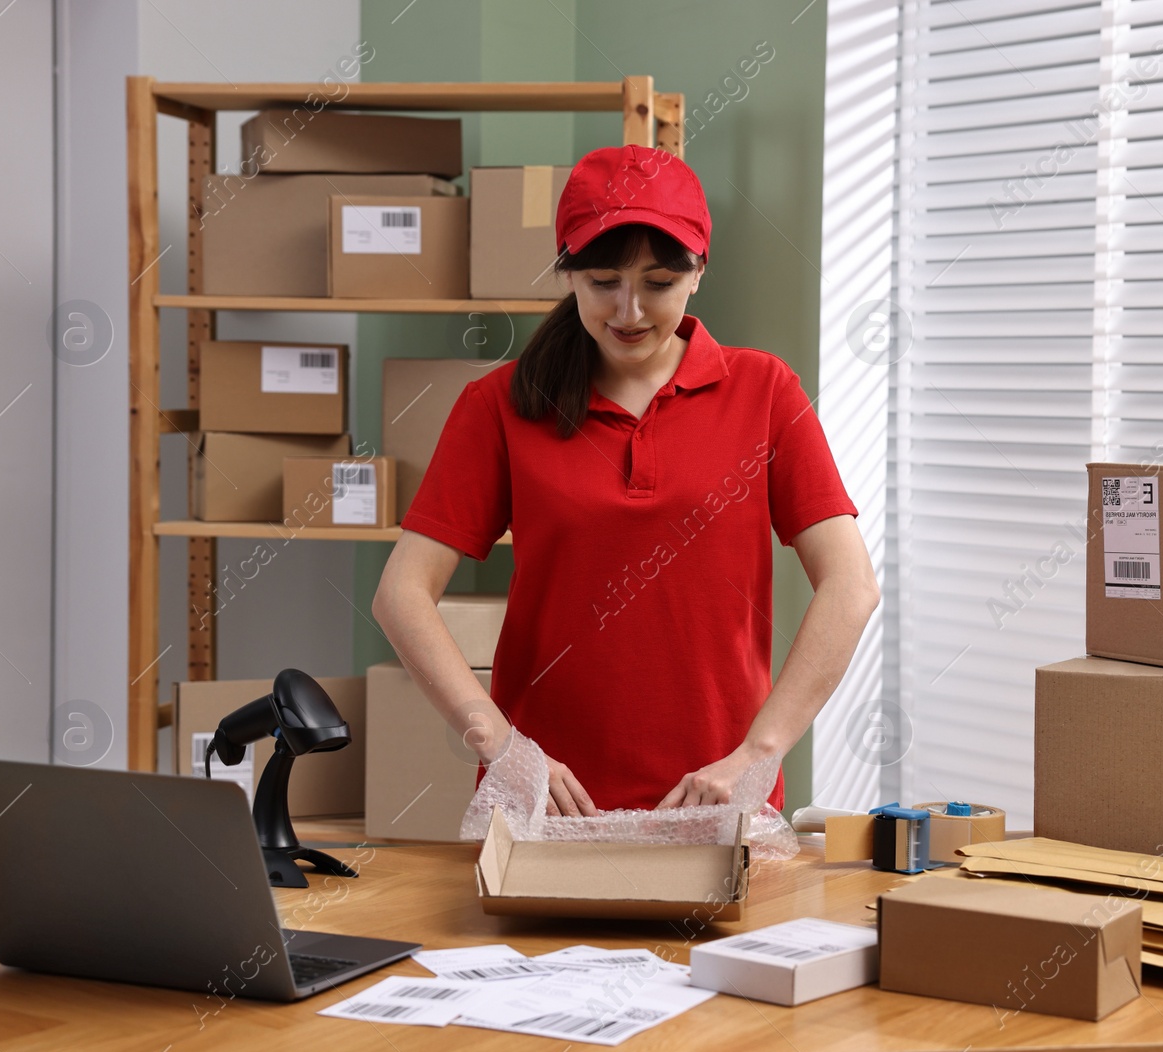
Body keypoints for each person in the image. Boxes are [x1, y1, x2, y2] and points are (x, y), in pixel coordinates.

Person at [371, 144, 878, 818]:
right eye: (603, 280)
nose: (629, 311)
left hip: (720, 805)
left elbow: (851, 585)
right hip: (546, 811)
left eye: (659, 282)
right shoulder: (500, 405)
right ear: (568, 273)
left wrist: (758, 754)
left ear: (699, 271)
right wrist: (501, 746)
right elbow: (400, 594)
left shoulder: (766, 393)